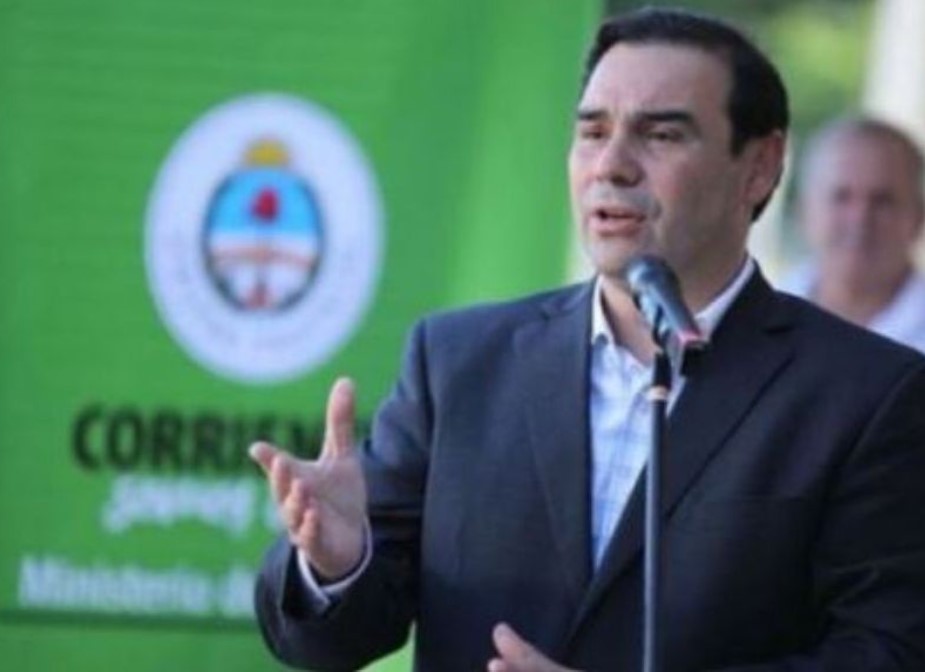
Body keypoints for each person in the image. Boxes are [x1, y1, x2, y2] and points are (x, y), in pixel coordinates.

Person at [251, 7, 925, 671]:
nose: (612, 165)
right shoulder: (457, 362)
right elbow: (332, 642)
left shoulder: (870, 393)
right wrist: (336, 563)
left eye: (661, 135)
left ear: (760, 165)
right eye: (593, 131)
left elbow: (889, 651)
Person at [781, 116, 925, 353]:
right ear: (804, 210)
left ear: (918, 215)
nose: (860, 218)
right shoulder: (749, 321)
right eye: (842, 197)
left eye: (882, 200)